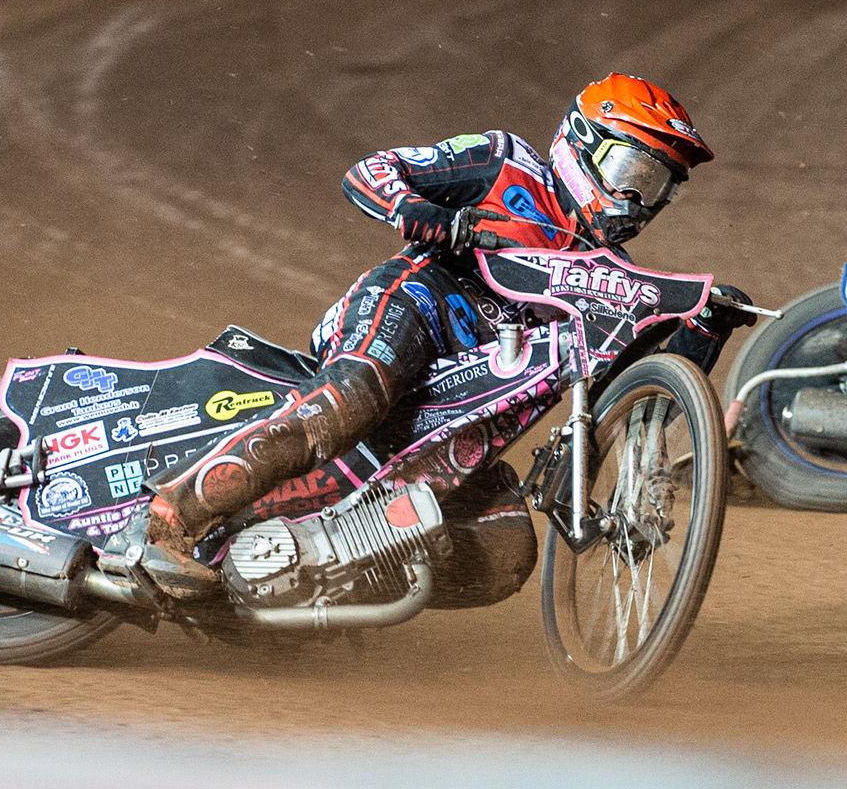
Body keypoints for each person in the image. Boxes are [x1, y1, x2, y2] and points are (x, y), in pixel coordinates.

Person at [127, 73, 755, 596]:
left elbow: (620, 390)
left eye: (657, 187)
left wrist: (702, 330)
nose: (638, 200)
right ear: (581, 144)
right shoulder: (506, 162)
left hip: (464, 411)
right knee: (355, 397)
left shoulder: (613, 277)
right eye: (631, 170)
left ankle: (307, 584)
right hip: (414, 303)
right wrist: (434, 219)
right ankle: (169, 519)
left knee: (506, 549)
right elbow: (370, 171)